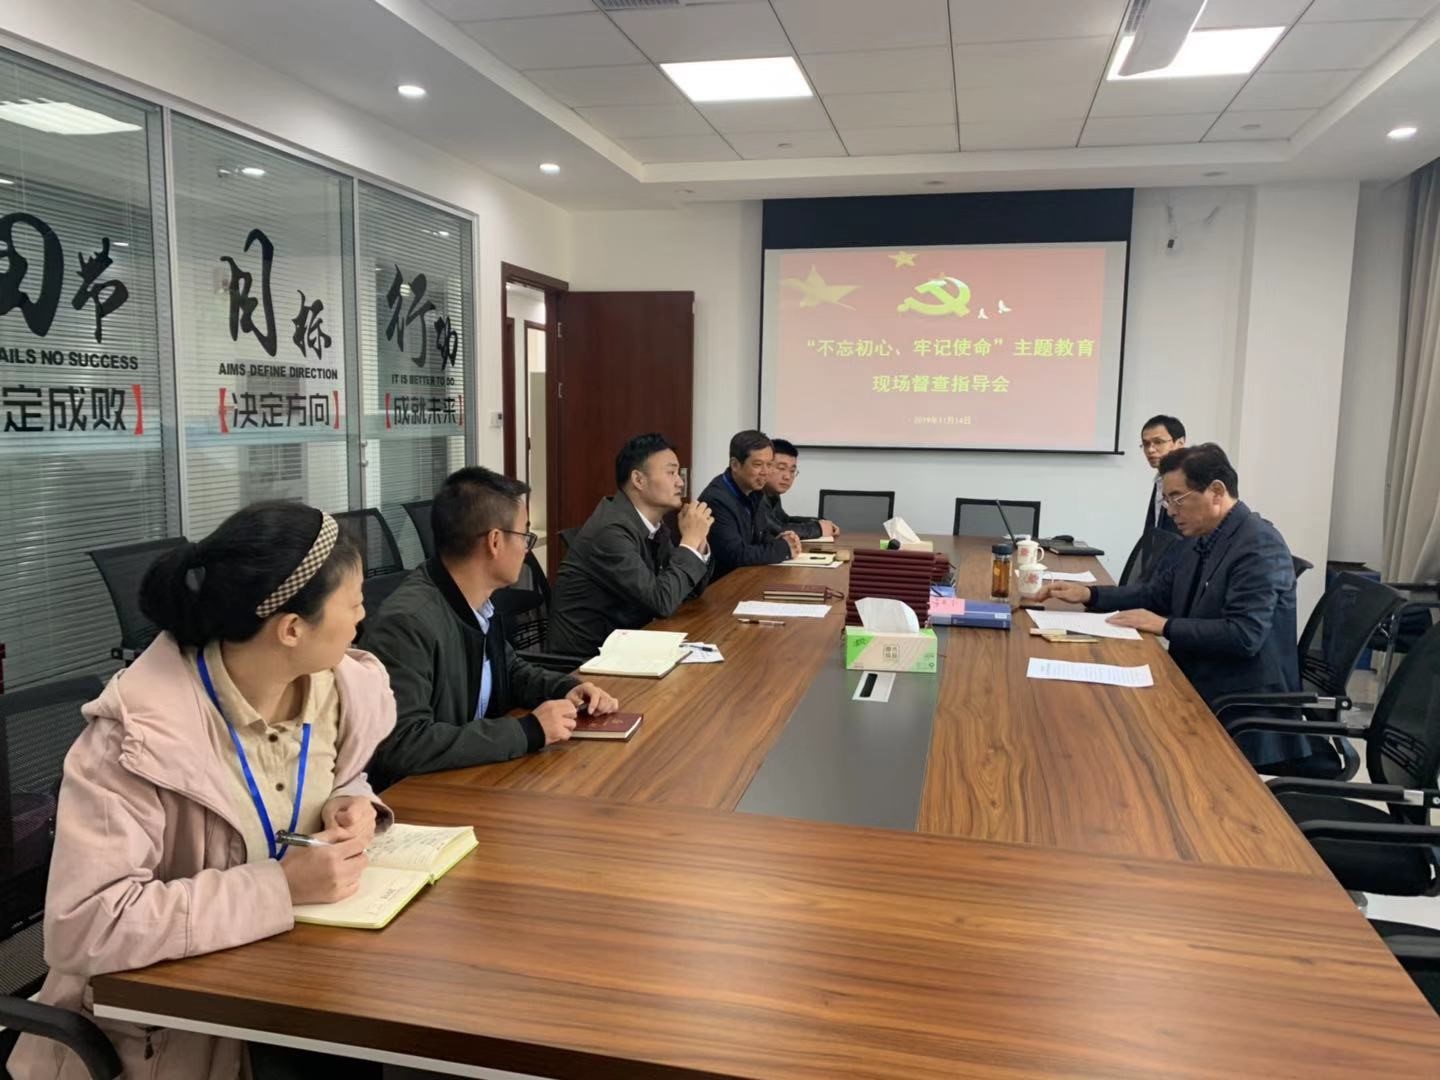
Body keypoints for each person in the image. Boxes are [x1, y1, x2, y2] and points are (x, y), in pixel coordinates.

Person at [8, 502, 395, 1080]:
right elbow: (85, 925)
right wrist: (281, 888)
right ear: (292, 628)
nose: (365, 615)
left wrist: (352, 803)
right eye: (355, 601)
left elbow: (340, 774)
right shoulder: (135, 741)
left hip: (308, 987)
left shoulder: (336, 692)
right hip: (175, 1037)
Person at [1038, 443, 1319, 770]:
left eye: (1177, 498)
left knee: (1113, 738)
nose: (1170, 511)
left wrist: (1164, 626)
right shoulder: (1202, 538)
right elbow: (1155, 595)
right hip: (1196, 680)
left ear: (1216, 492)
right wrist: (1089, 595)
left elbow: (1244, 635)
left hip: (1241, 709)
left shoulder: (1259, 545)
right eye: (1166, 500)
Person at [363, 466, 618, 791]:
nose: (527, 549)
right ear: (495, 541)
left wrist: (566, 688)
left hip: (474, 779)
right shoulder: (409, 623)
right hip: (420, 797)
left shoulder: (477, 599)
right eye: (524, 536)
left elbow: (508, 671)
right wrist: (528, 731)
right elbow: (404, 744)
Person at [548, 433, 714, 656]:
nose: (680, 482)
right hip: (587, 660)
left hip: (627, 644)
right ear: (638, 480)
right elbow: (661, 602)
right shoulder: (610, 531)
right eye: (671, 472)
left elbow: (687, 591)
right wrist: (690, 542)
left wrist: (698, 541)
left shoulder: (652, 525)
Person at [699, 430, 802, 578]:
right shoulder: (717, 500)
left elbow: (760, 535)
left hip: (745, 577)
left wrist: (781, 540)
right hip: (720, 584)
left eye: (769, 465)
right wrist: (783, 549)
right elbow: (735, 555)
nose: (765, 472)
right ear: (735, 465)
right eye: (758, 464)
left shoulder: (754, 491)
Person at [763, 438, 839, 541]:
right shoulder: (754, 494)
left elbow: (785, 520)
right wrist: (819, 528)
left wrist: (821, 522)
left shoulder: (772, 494)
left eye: (792, 471)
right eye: (781, 468)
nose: (787, 477)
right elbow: (777, 529)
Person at [1139, 415, 1185, 549]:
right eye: (1146, 444)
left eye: (1158, 442)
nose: (1150, 450)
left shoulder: (1189, 481)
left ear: (1180, 443)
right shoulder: (1160, 479)